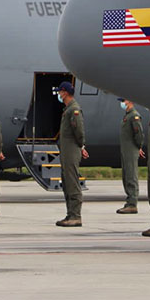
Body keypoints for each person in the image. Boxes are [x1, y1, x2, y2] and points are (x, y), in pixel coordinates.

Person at [55, 81, 88, 227]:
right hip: (66, 151)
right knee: (67, 182)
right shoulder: (68, 109)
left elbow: (79, 131)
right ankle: (70, 214)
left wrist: (81, 146)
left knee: (72, 182)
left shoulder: (74, 110)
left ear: (65, 92)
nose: (59, 94)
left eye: (60, 92)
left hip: (71, 150)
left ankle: (75, 215)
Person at [116, 98, 144, 214]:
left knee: (131, 175)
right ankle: (129, 201)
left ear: (130, 101)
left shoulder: (134, 116)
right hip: (126, 150)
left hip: (131, 150)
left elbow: (139, 134)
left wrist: (138, 147)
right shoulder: (128, 115)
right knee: (126, 175)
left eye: (123, 100)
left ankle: (132, 203)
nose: (122, 103)